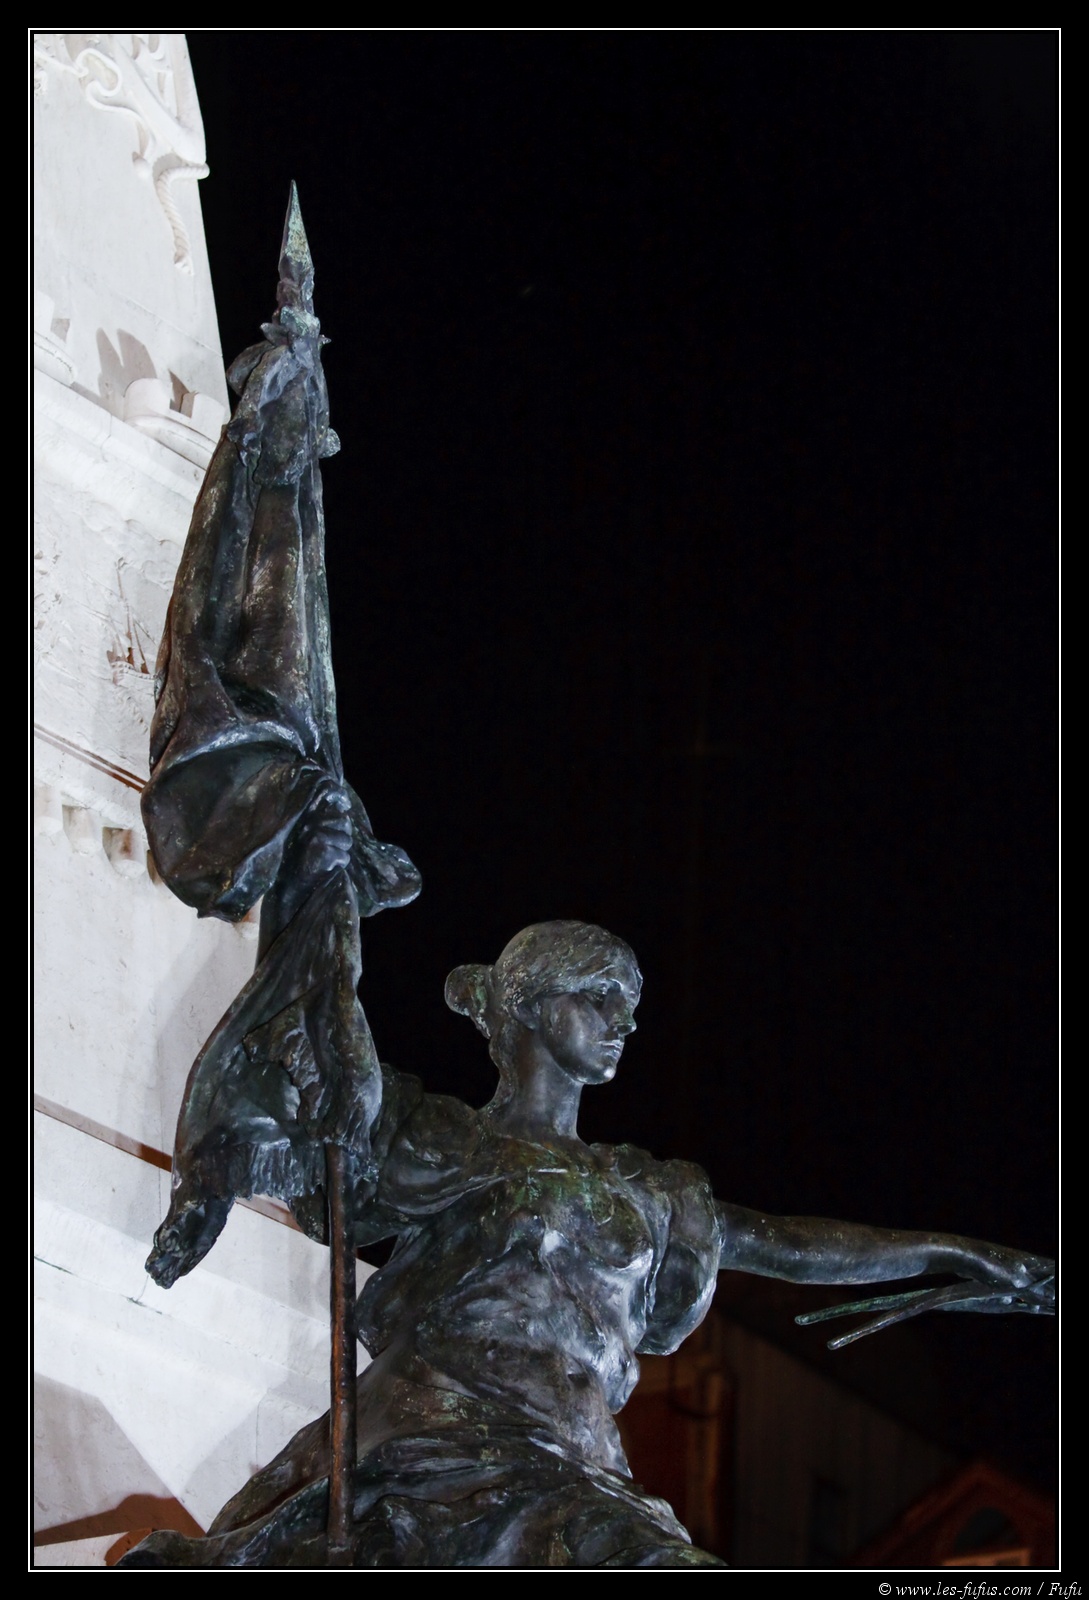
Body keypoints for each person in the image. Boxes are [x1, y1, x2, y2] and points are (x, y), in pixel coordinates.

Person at [122, 919, 1053, 1569]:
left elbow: (788, 1244)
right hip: (447, 1443)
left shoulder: (647, 1186)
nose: (624, 1023)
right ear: (530, 1004)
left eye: (630, 1006)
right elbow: (322, 1095)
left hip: (578, 1456)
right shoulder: (440, 1138)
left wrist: (954, 1252)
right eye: (601, 997)